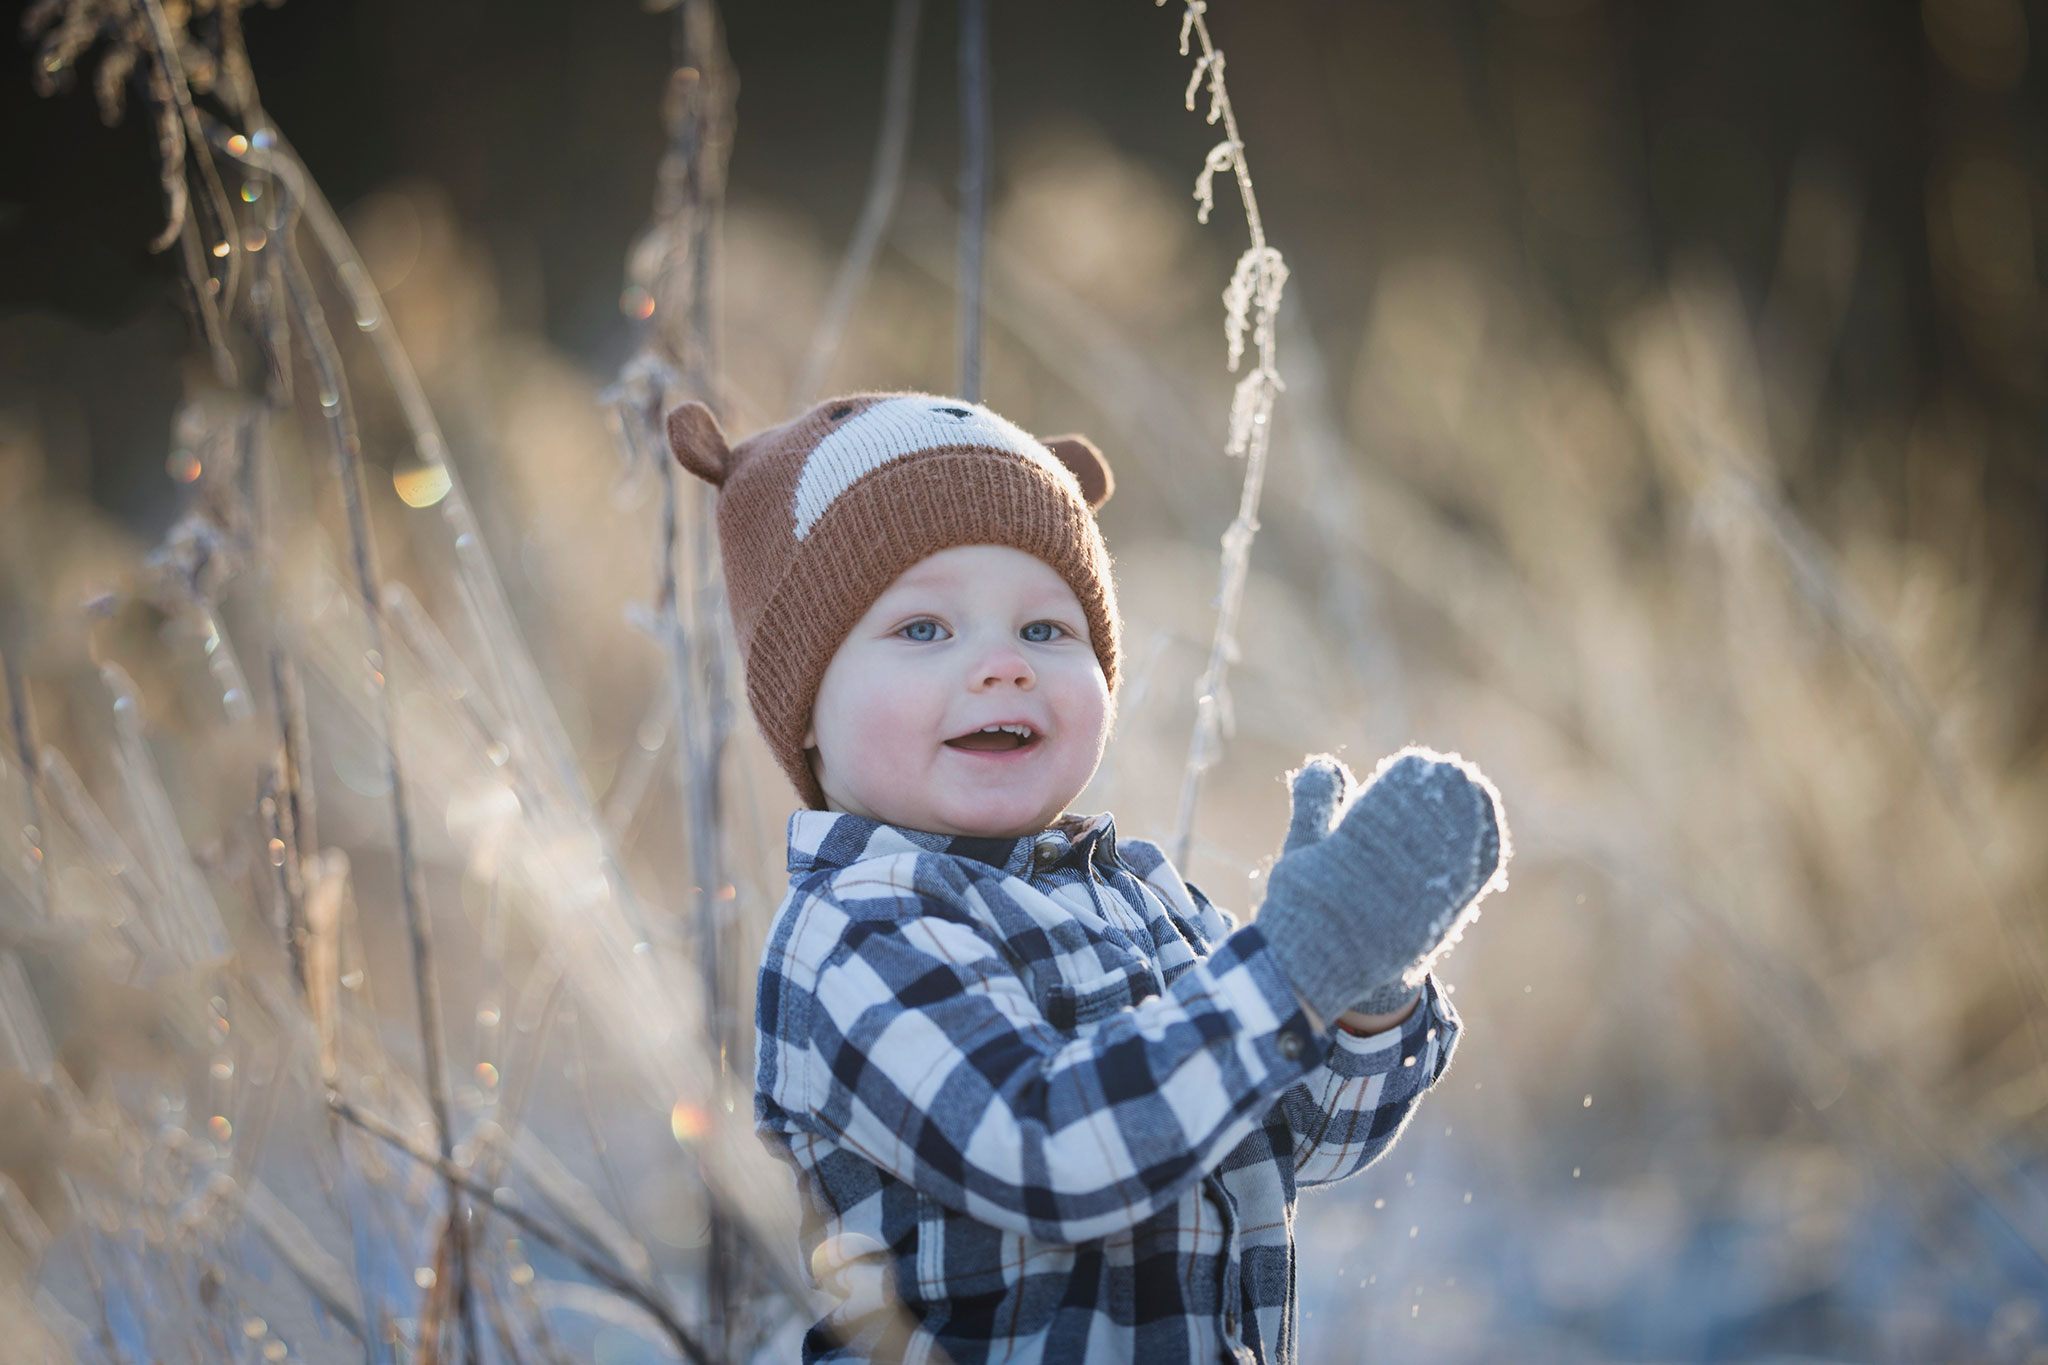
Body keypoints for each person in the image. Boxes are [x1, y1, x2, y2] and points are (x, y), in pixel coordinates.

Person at [667, 392, 1510, 1364]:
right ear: (805, 705)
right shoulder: (853, 936)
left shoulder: (1139, 895)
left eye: (1043, 631)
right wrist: (1287, 974)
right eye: (923, 630)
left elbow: (1294, 1134)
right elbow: (1048, 1151)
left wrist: (1359, 992)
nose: (1001, 666)